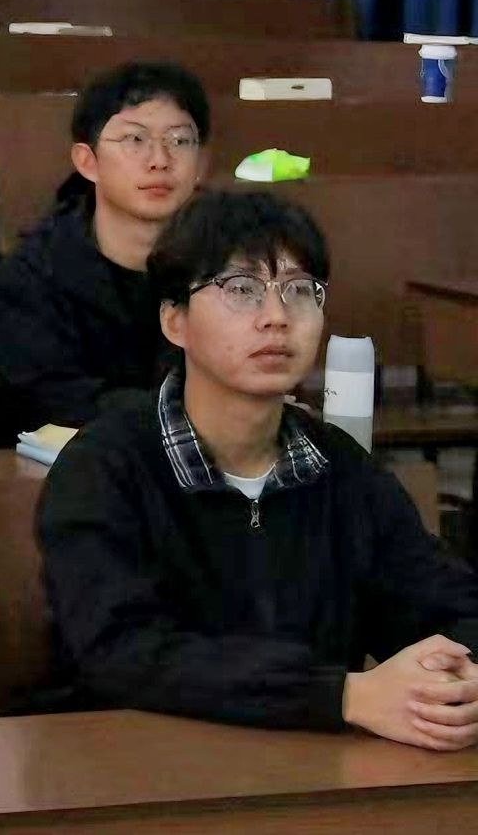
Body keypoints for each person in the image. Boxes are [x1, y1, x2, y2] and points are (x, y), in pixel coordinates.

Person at [37, 191, 478, 749]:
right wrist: (342, 695)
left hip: (312, 766)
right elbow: (122, 653)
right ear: (175, 320)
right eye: (241, 289)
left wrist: (460, 673)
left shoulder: (342, 469)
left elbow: (447, 604)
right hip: (131, 762)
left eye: (300, 291)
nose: (276, 317)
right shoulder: (104, 468)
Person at [0, 63, 211, 440]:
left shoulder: (226, 266)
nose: (159, 159)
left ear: (201, 164)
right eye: (135, 140)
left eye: (180, 141)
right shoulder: (30, 276)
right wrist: (195, 415)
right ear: (87, 161)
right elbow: (43, 398)